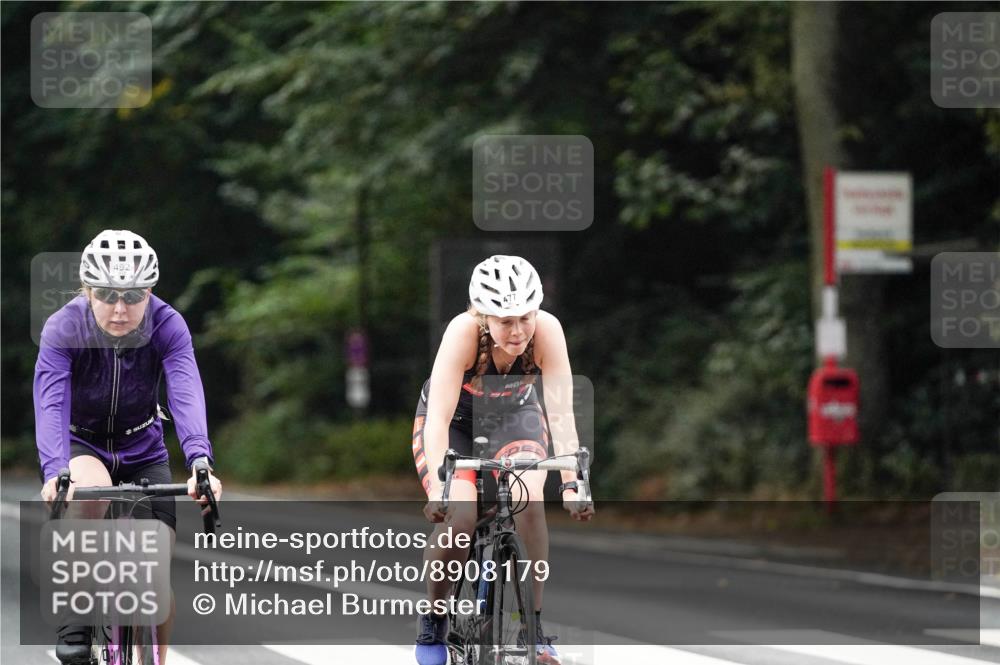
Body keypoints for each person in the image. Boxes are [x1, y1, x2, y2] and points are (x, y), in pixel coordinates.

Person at [35, 229, 223, 665]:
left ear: (149, 292)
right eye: (106, 294)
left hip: (144, 448)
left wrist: (200, 461)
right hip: (82, 444)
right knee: (90, 496)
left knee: (154, 577)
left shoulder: (168, 324)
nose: (120, 308)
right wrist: (55, 470)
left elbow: (185, 389)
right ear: (88, 290)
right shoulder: (64, 327)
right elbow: (51, 402)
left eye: (133, 296)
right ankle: (78, 617)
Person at [412, 255, 595, 665]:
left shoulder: (548, 331)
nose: (518, 331)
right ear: (483, 316)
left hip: (515, 417)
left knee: (530, 501)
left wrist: (572, 483)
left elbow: (561, 413)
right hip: (455, 423)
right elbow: (437, 419)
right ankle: (435, 618)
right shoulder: (462, 333)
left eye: (525, 317)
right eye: (505, 321)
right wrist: (441, 488)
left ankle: (534, 628)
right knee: (459, 520)